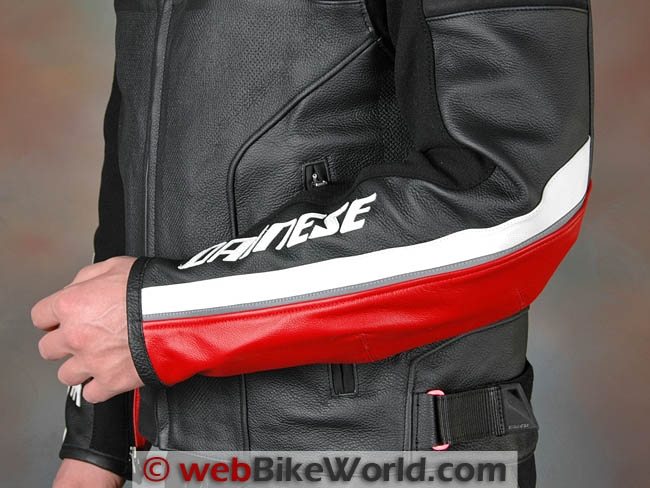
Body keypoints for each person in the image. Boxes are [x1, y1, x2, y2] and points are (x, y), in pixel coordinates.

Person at [32, 1, 593, 486]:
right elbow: (143, 168)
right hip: (184, 464)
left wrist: (160, 318)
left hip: (395, 464)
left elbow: (514, 200)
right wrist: (99, 439)